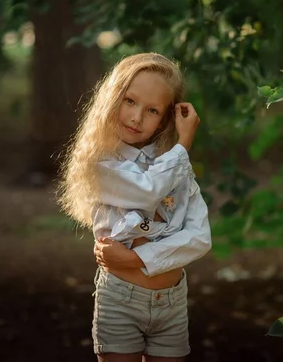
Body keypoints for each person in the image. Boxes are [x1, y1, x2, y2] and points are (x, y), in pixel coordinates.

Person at [58, 52, 211, 362]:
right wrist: (183, 147)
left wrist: (134, 257)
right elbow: (147, 192)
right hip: (121, 300)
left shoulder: (175, 165)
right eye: (130, 101)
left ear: (166, 118)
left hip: (172, 302)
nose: (136, 117)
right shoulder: (101, 161)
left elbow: (199, 238)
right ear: (113, 98)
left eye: (152, 110)